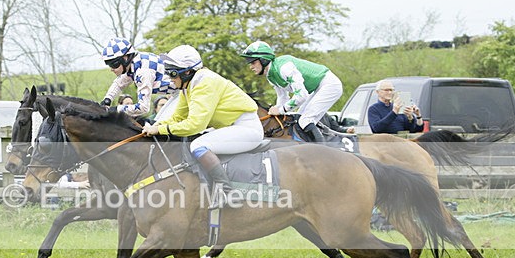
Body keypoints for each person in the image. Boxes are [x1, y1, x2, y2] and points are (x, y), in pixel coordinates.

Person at [142, 45, 263, 197]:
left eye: (172, 73)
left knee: (198, 145)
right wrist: (156, 126)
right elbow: (177, 117)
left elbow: (195, 125)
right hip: (231, 127)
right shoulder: (188, 86)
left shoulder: (204, 83)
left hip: (246, 128)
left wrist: (160, 130)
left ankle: (227, 192)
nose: (170, 79)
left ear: (187, 72)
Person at [240, 40, 343, 143]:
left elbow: (301, 96)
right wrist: (278, 112)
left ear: (263, 60)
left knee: (305, 120)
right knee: (299, 119)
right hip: (315, 89)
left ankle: (323, 152)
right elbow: (283, 97)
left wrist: (281, 110)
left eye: (253, 62)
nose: (251, 67)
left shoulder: (284, 68)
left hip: (329, 85)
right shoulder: (270, 75)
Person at [100, 38, 172, 118]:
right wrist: (107, 99)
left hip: (181, 91)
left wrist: (116, 109)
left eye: (113, 65)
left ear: (125, 59)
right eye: (109, 65)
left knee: (160, 121)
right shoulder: (135, 62)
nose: (111, 69)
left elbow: (143, 108)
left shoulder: (142, 72)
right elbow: (119, 83)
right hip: (175, 92)